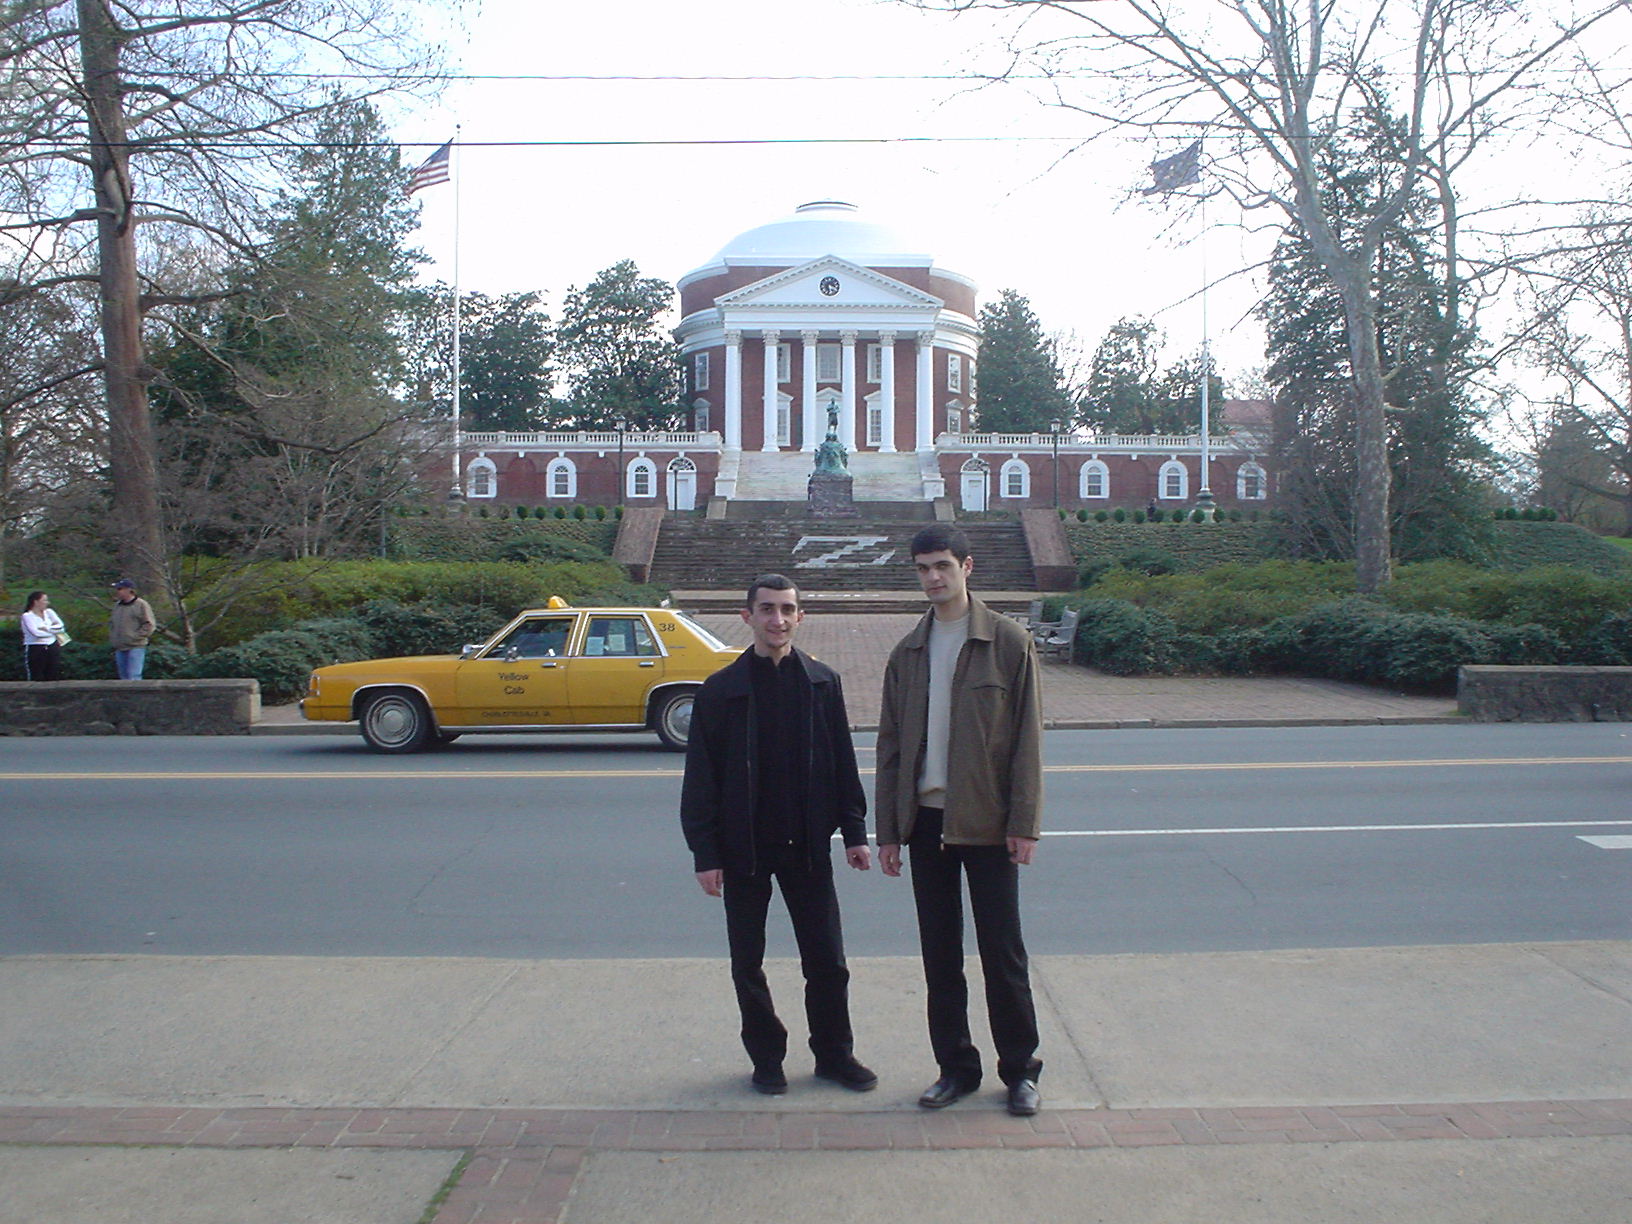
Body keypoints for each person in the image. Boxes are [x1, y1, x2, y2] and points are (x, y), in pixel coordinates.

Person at [681, 573, 877, 1096]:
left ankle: (835, 1055)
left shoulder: (821, 682)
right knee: (749, 964)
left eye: (787, 609)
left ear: (800, 617)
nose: (778, 619)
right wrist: (705, 852)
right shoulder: (722, 691)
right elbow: (701, 776)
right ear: (748, 617)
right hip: (743, 850)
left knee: (828, 962)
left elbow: (841, 760)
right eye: (767, 609)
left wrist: (855, 831)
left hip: (808, 848)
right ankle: (766, 1059)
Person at [875, 523, 1045, 1117]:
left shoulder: (1006, 641)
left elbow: (1026, 742)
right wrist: (889, 830)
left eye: (942, 566)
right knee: (939, 954)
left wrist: (1023, 822)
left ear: (967, 567)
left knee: (1003, 953)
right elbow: (891, 746)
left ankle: (1021, 1070)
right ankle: (955, 1067)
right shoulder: (908, 652)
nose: (932, 578)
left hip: (989, 823)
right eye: (923, 568)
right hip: (926, 824)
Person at [109, 579, 155, 680]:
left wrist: (134, 637)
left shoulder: (141, 605)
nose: (117, 591)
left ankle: (137, 696)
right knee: (123, 677)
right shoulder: (117, 606)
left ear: (129, 590)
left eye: (120, 589)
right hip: (120, 647)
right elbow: (112, 624)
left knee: (134, 676)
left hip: (135, 647)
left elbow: (149, 625)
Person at [20, 591, 67, 681]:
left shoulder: (49, 612)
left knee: (53, 673)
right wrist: (54, 631)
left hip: (52, 646)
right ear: (36, 602)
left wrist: (46, 628)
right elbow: (36, 633)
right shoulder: (27, 616)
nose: (47, 602)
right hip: (36, 647)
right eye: (44, 600)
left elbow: (61, 627)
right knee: (37, 675)